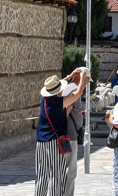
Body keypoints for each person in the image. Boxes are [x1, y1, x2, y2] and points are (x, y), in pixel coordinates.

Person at [35, 68, 88, 196]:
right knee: (56, 176)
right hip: (54, 142)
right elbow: (78, 93)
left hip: (41, 142)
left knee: (42, 176)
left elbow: (54, 87)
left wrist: (69, 76)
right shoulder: (59, 103)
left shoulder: (44, 100)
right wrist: (82, 78)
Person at [63, 71, 90, 196]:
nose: (88, 83)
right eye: (87, 79)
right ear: (81, 78)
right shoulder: (73, 90)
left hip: (69, 134)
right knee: (70, 170)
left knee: (69, 169)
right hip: (69, 135)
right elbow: (66, 111)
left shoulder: (71, 88)